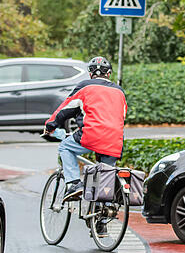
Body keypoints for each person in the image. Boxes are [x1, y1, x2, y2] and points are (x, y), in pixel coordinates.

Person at [44, 56, 127, 202]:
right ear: (109, 74)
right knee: (105, 176)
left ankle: (74, 184)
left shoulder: (85, 87)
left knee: (65, 147)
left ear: (90, 73)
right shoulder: (119, 91)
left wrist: (50, 125)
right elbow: (122, 115)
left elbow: (65, 109)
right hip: (114, 139)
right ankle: (104, 213)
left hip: (92, 135)